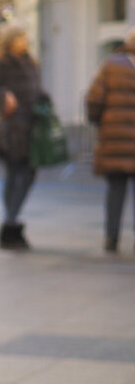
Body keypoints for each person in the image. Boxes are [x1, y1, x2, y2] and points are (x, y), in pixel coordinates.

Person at [0, 23, 50, 250]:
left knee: (29, 174)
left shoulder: (30, 62)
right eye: (21, 38)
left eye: (26, 37)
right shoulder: (1, 63)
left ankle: (11, 220)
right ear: (10, 41)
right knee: (16, 173)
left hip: (33, 128)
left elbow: (36, 90)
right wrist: (4, 96)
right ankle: (11, 224)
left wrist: (45, 101)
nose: (25, 42)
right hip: (13, 128)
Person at [86, 27, 135, 253]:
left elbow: (94, 98)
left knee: (116, 189)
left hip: (114, 138)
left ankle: (111, 237)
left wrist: (100, 123)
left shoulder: (111, 64)